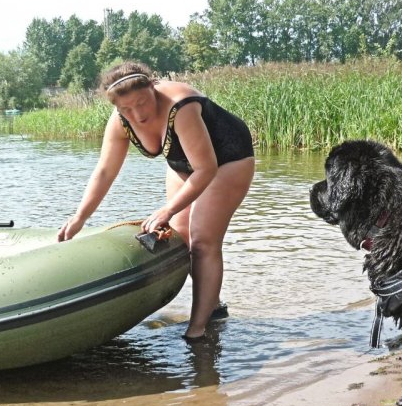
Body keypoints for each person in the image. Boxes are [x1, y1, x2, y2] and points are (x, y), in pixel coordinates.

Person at [57, 61, 255, 342]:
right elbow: (104, 172)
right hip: (182, 163)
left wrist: (167, 208)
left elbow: (206, 170)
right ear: (116, 107)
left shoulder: (181, 107)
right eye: (126, 109)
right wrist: (79, 217)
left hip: (228, 159)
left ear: (153, 86)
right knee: (179, 238)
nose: (137, 115)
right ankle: (213, 304)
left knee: (202, 241)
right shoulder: (120, 121)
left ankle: (198, 329)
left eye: (141, 102)